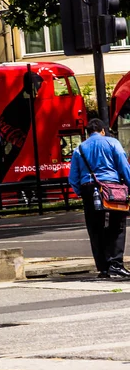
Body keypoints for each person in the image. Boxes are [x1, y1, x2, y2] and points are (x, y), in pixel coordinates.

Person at [69, 118, 130, 279]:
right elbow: (123, 166)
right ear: (103, 130)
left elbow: (73, 178)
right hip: (112, 188)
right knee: (117, 226)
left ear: (88, 133)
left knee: (95, 228)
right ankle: (116, 264)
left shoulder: (79, 148)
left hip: (88, 189)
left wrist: (81, 192)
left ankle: (103, 268)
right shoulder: (112, 142)